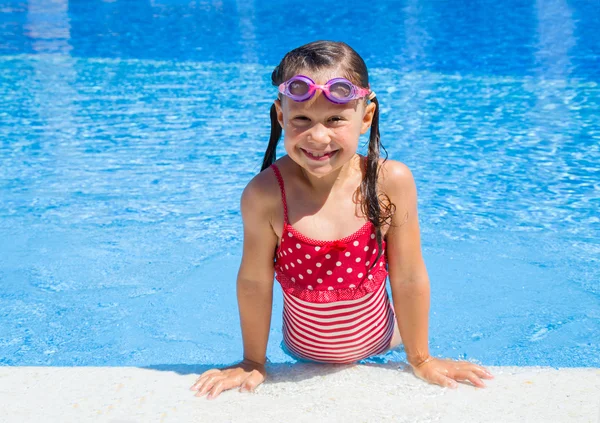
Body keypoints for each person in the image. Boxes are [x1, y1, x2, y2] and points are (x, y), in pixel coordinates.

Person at [191, 40, 494, 399]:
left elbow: (409, 274)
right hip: (303, 353)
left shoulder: (389, 182)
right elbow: (255, 281)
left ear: (365, 118)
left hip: (383, 344)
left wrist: (421, 357)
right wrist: (253, 361)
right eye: (302, 119)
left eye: (335, 119)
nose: (318, 137)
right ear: (281, 115)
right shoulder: (266, 194)